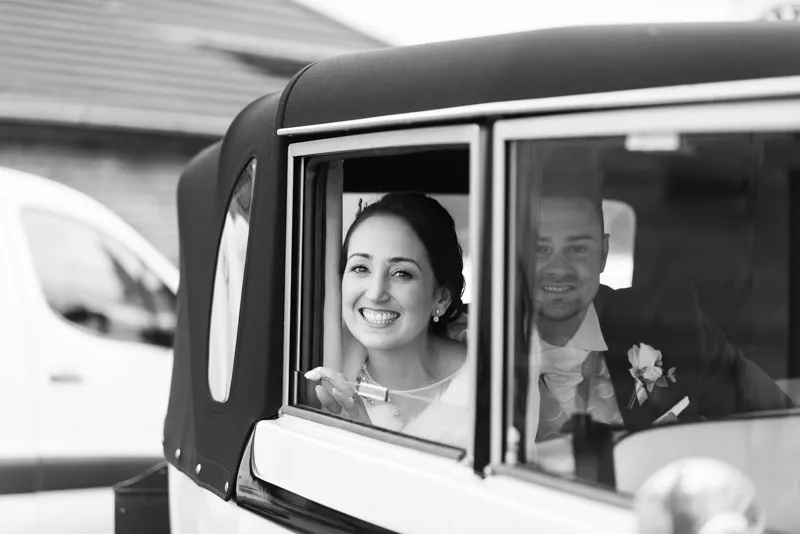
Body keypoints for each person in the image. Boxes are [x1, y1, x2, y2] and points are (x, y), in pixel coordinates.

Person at [525, 183, 795, 447]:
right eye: (541, 249)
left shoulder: (668, 323)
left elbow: (782, 425)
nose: (558, 268)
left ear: (604, 253)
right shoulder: (487, 345)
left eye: (577, 249)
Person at [304, 192, 470, 448]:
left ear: (441, 298)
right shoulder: (318, 369)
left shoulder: (493, 379)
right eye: (361, 268)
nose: (375, 293)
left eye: (402, 273)